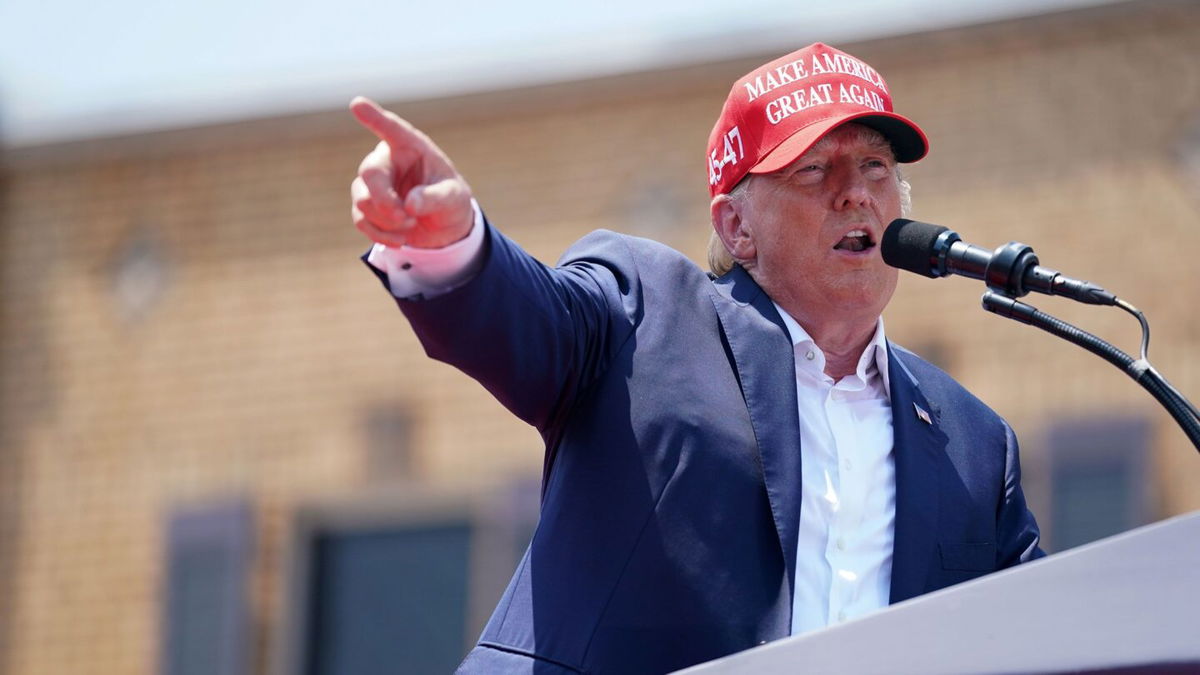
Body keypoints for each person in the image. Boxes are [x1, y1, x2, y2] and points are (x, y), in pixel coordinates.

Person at [349, 42, 1044, 674]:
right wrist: (451, 244)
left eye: (875, 167)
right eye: (814, 169)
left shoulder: (974, 443)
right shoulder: (644, 315)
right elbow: (528, 319)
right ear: (736, 225)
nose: (855, 191)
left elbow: (1047, 633)